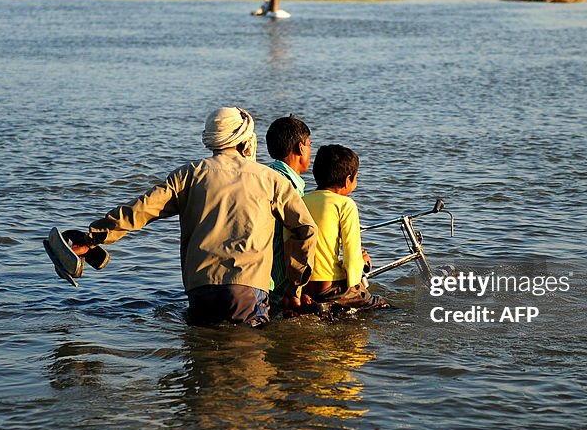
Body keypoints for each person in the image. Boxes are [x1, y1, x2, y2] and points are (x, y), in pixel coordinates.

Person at [69, 107, 317, 327]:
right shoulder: (270, 179)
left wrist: (93, 238)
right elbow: (305, 229)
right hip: (248, 289)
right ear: (246, 142)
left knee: (202, 364)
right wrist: (294, 286)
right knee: (249, 365)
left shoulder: (188, 175)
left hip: (201, 289)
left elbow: (139, 211)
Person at [297, 144, 391, 315]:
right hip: (329, 289)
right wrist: (360, 266)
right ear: (348, 180)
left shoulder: (301, 201)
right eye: (356, 178)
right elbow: (351, 259)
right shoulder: (345, 205)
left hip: (303, 288)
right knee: (384, 307)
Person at [265, 115, 312, 301]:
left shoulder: (263, 176)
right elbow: (299, 236)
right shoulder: (287, 186)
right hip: (275, 285)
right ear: (300, 148)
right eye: (310, 144)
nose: (310, 150)